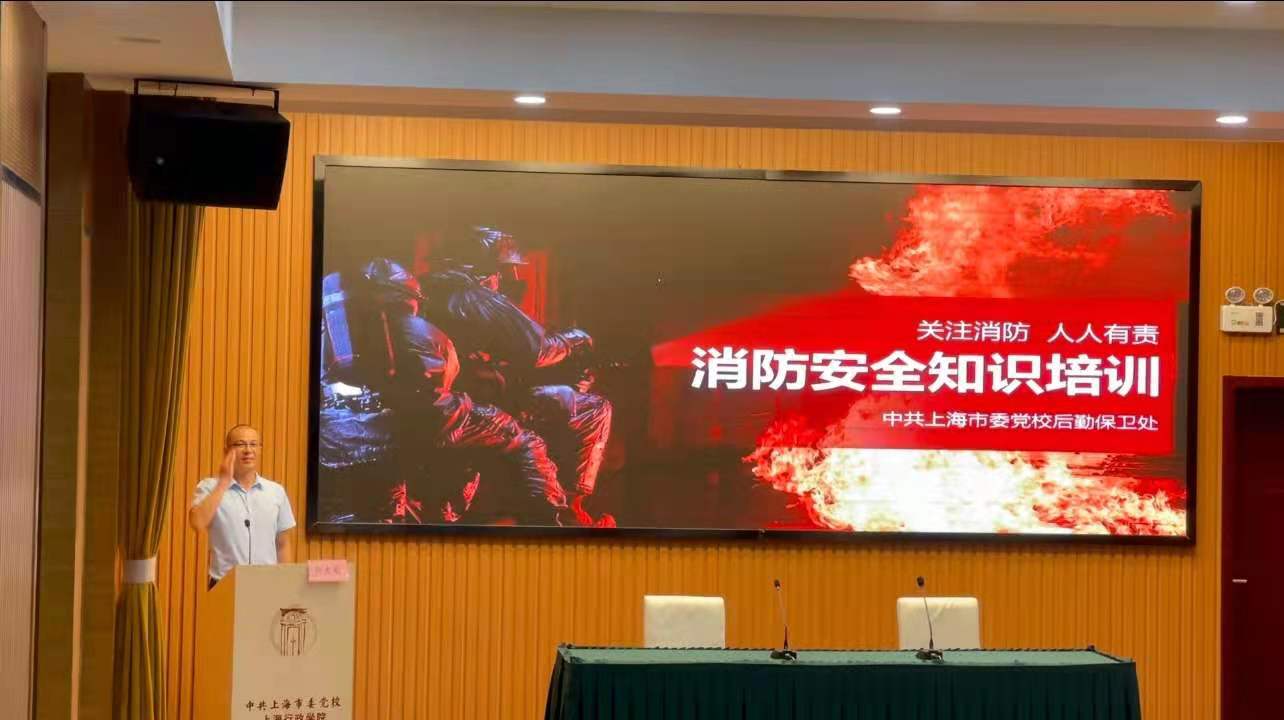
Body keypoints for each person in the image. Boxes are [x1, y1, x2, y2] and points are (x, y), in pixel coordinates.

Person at [318, 258, 566, 524]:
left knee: (377, 509)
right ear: (407, 296)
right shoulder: (422, 330)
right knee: (522, 440)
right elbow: (440, 388)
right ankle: (550, 521)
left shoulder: (327, 336)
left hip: (337, 437)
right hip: (410, 428)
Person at [421, 227, 615, 527]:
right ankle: (569, 511)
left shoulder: (430, 290)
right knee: (593, 409)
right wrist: (577, 339)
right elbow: (539, 350)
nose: (511, 277)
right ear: (481, 264)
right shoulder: (474, 296)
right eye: (504, 268)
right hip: (479, 401)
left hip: (453, 398)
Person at [189, 425, 297, 590]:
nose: (248, 450)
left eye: (253, 444)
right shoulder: (210, 487)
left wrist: (287, 585)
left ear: (260, 449)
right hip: (224, 584)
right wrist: (223, 483)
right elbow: (197, 522)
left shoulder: (276, 491)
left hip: (268, 584)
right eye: (240, 444)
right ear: (227, 451)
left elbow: (282, 544)